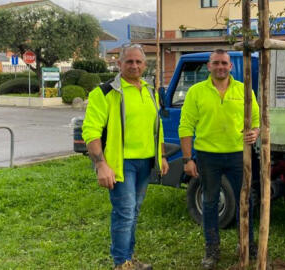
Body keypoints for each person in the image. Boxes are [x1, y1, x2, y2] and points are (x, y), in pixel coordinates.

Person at [82, 43, 169, 270]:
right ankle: (121, 263)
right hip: (121, 165)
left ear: (144, 64)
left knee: (133, 211)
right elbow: (90, 131)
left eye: (138, 61)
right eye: (129, 61)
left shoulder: (150, 91)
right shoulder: (105, 93)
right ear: (119, 64)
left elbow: (156, 127)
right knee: (125, 212)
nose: (134, 65)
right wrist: (101, 164)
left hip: (145, 162)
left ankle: (128, 259)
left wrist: (162, 156)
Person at [179, 49, 260, 269]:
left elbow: (256, 118)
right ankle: (212, 249)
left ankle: (247, 244)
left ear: (230, 66)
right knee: (210, 202)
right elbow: (185, 126)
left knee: (246, 200)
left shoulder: (244, 90)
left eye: (224, 63)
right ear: (209, 66)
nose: (220, 67)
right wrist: (188, 159)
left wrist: (256, 131)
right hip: (207, 156)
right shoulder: (196, 92)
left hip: (238, 155)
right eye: (216, 63)